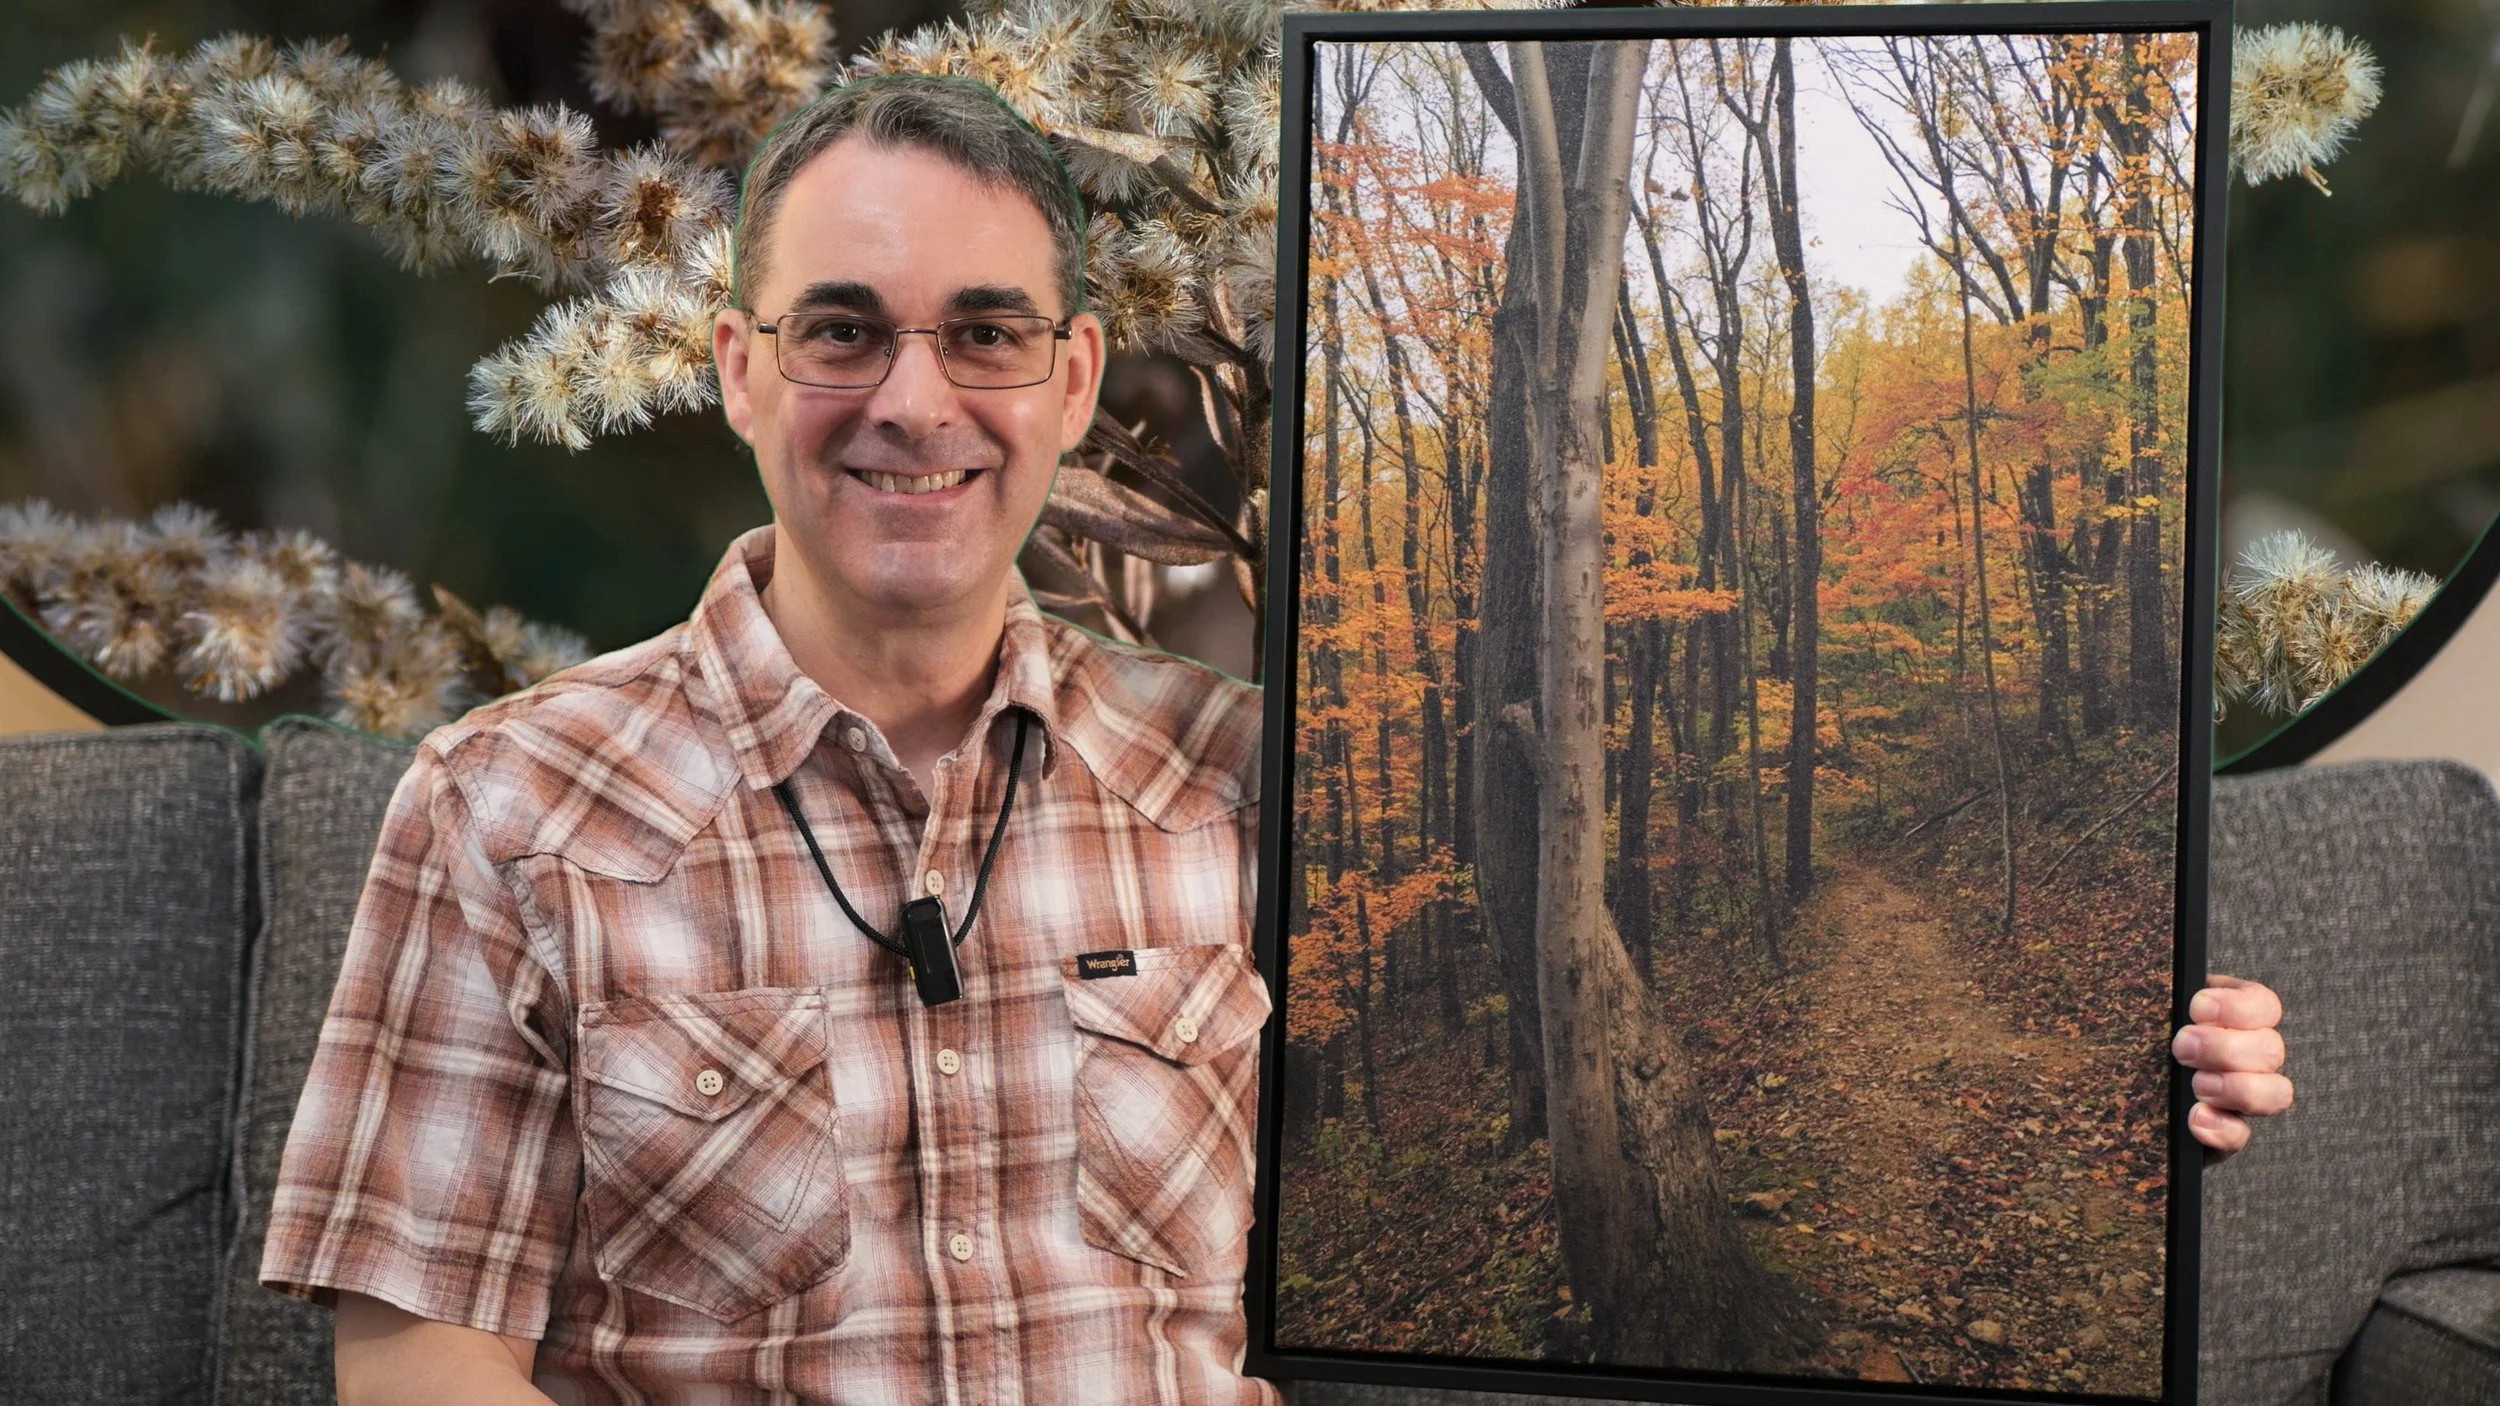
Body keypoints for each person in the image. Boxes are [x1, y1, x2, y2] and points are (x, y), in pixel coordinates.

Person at [258, 73, 2293, 1406]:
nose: (910, 399)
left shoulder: (1242, 787)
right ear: (731, 368)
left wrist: (2146, 1064)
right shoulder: (507, 810)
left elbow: (1549, 1028)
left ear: (1066, 386)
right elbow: (417, 1364)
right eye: (837, 329)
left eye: (981, 333)